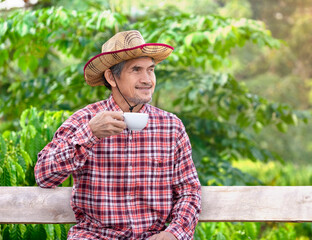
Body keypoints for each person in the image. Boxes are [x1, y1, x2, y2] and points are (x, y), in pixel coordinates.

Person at [35, 30, 202, 240]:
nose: (147, 79)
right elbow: (43, 175)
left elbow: (189, 191)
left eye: (150, 70)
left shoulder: (171, 126)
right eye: (136, 70)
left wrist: (174, 233)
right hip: (95, 236)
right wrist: (90, 134)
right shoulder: (84, 120)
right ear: (111, 77)